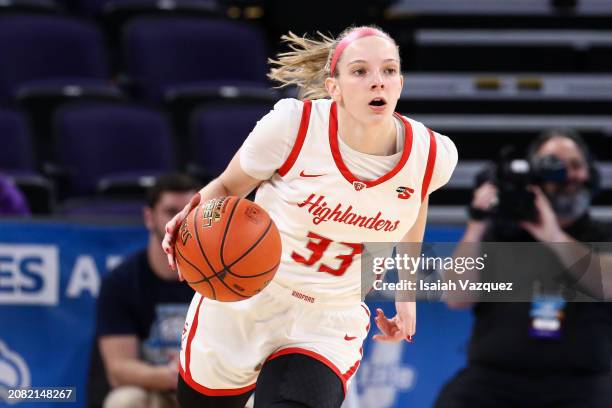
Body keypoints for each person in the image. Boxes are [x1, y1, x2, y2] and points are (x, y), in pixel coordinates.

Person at [163, 26, 458, 408]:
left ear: (400, 83)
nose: (377, 82)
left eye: (388, 71)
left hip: (329, 319)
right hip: (249, 297)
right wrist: (187, 220)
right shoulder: (293, 127)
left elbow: (413, 205)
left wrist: (407, 295)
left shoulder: (433, 155)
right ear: (332, 86)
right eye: (360, 71)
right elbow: (227, 187)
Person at [435, 129, 612, 408]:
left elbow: (607, 283)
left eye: (575, 165)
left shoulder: (603, 235)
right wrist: (476, 224)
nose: (566, 175)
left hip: (583, 385)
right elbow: (456, 296)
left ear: (590, 174)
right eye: (554, 165)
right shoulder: (500, 234)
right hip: (495, 381)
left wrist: (552, 235)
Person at [96, 174, 200, 408]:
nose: (180, 221)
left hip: (205, 391)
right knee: (123, 401)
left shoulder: (218, 278)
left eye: (188, 212)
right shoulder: (121, 282)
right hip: (154, 390)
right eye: (171, 211)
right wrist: (172, 376)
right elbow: (119, 370)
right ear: (148, 217)